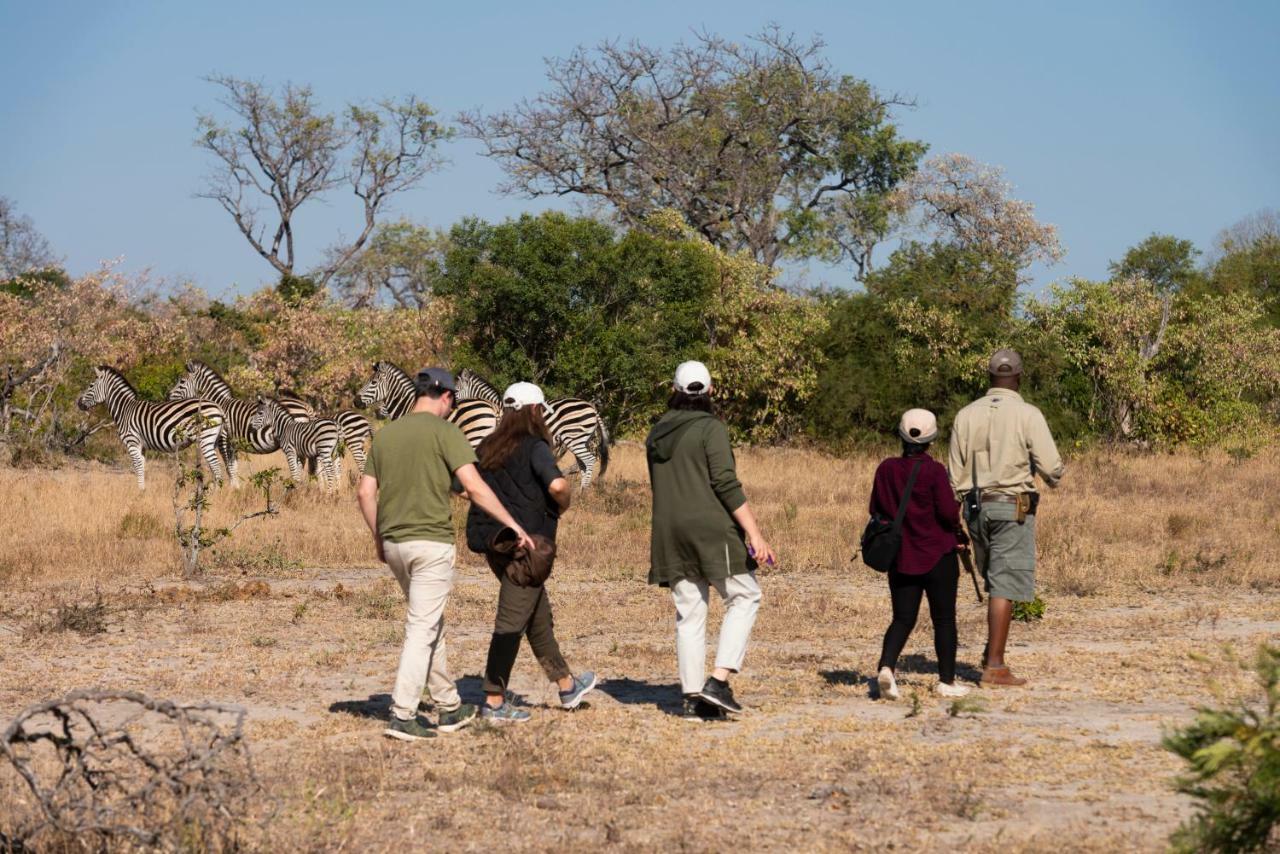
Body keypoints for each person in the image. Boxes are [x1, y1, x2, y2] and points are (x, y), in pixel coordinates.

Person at [357, 367, 534, 741]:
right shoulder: (447, 432)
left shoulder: (387, 435)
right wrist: (512, 523)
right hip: (431, 544)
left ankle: (450, 706)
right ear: (448, 397)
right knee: (421, 627)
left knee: (430, 621)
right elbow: (474, 487)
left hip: (394, 544)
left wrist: (378, 536)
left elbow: (364, 492)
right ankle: (403, 714)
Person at [646, 361, 776, 722]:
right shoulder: (711, 428)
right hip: (710, 529)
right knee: (746, 594)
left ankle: (692, 699)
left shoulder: (656, 432)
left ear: (672, 389)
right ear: (711, 391)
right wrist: (755, 533)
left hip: (670, 531)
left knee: (690, 613)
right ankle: (718, 682)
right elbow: (724, 482)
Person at [464, 381, 597, 723]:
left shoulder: (486, 446)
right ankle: (493, 701)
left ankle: (567, 685)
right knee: (510, 623)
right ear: (536, 411)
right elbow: (557, 484)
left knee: (537, 619)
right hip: (526, 550)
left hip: (494, 544)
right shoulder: (535, 446)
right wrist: (562, 504)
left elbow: (464, 489)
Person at [948, 349, 1064, 688]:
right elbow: (1052, 468)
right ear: (1019, 377)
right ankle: (995, 667)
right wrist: (1054, 475)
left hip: (974, 508)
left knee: (993, 579)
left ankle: (990, 652)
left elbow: (954, 476)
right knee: (1004, 584)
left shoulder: (965, 415)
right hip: (1012, 507)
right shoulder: (1028, 413)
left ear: (989, 377)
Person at [872, 409, 971, 701]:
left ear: (901, 436)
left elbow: (875, 509)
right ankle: (947, 681)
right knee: (944, 619)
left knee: (902, 618)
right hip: (938, 554)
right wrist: (958, 530)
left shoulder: (886, 469)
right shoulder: (935, 471)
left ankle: (887, 667)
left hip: (901, 556)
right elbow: (947, 512)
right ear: (931, 439)